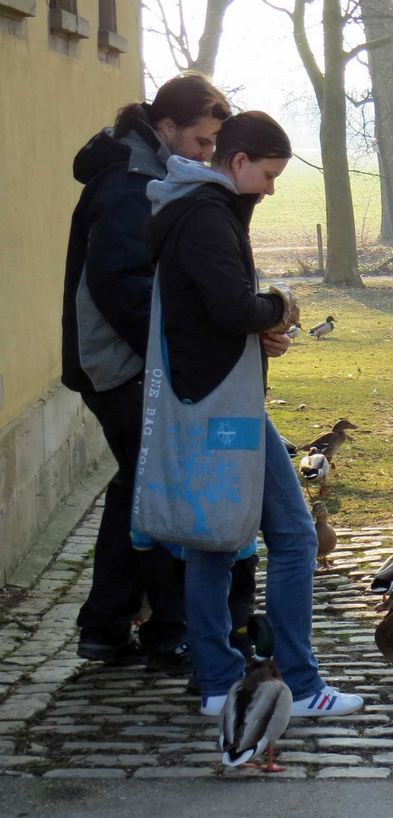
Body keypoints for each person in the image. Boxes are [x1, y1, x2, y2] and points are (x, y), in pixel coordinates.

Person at [146, 111, 363, 718]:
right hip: (225, 404)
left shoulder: (195, 208)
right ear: (237, 163)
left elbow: (214, 312)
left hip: (212, 395)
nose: (270, 188)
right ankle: (298, 683)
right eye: (268, 175)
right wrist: (280, 306)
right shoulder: (208, 214)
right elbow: (231, 307)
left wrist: (258, 328)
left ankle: (219, 685)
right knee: (292, 537)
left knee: (215, 542)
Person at [61, 73, 262, 673]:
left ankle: (108, 625)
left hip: (129, 361)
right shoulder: (132, 181)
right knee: (165, 491)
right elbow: (121, 285)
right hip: (122, 364)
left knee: (137, 488)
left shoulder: (146, 171)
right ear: (167, 127)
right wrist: (174, 358)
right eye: (202, 142)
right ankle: (172, 632)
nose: (208, 154)